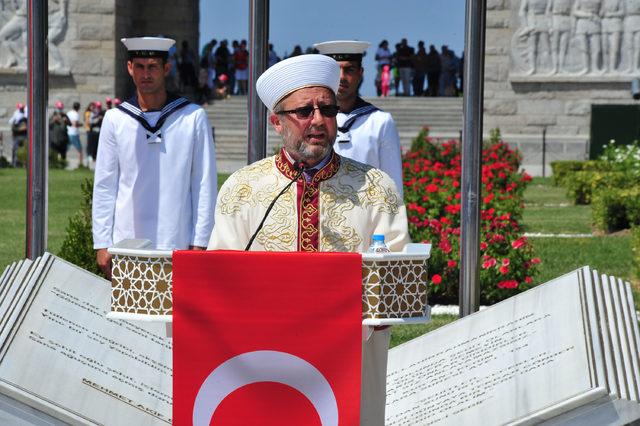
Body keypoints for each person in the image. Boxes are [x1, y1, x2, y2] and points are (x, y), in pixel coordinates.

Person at [208, 54, 410, 426]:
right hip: (265, 365)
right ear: (277, 121)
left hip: (350, 365)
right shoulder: (243, 189)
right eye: (304, 111)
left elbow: (396, 282)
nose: (318, 120)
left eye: (327, 109)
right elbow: (218, 281)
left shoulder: (376, 189)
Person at [92, 37, 217, 278]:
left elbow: (204, 183)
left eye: (152, 67)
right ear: (129, 68)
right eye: (139, 66)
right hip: (126, 239)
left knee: (175, 314)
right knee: (129, 313)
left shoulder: (192, 117)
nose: (145, 74)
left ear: (166, 69)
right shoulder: (115, 119)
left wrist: (200, 240)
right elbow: (105, 185)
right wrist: (102, 242)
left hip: (177, 238)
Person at [314, 40, 404, 197]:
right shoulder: (310, 119)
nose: (342, 77)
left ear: (360, 73)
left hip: (367, 217)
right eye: (335, 70)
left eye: (349, 70)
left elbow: (392, 184)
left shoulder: (380, 121)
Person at [9, 103, 27, 167]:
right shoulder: (16, 116)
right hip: (17, 137)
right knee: (16, 151)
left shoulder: (25, 116)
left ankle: (24, 165)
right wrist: (20, 129)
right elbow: (13, 127)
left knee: (25, 150)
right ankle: (15, 164)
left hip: (25, 137)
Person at [66, 101, 83, 167]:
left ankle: (62, 162)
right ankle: (80, 164)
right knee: (80, 150)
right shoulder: (76, 114)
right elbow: (75, 124)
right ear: (78, 107)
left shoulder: (68, 113)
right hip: (74, 133)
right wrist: (81, 124)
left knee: (65, 149)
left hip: (68, 132)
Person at [86, 101, 103, 166]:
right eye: (97, 107)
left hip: (98, 132)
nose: (98, 108)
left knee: (97, 146)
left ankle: (95, 158)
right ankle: (90, 158)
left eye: (99, 107)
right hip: (92, 132)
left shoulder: (100, 113)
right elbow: (89, 122)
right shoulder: (91, 113)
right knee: (91, 146)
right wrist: (97, 119)